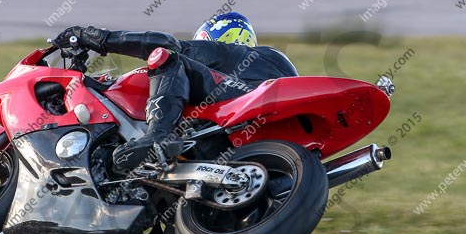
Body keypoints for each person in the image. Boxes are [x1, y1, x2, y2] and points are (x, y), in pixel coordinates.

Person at [54, 12, 298, 171]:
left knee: (169, 59)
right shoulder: (275, 61)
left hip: (248, 99)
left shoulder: (235, 53)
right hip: (257, 143)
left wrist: (101, 38)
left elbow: (169, 45)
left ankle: (157, 135)